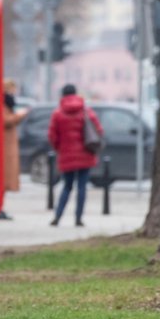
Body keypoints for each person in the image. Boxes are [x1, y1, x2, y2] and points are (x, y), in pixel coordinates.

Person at [47, 84, 103, 227]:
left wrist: (59, 148)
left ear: (63, 95)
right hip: (85, 155)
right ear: (76, 93)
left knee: (66, 186)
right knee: (82, 187)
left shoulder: (57, 114)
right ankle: (78, 219)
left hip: (66, 156)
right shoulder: (86, 111)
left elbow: (52, 136)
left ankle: (58, 217)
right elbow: (99, 131)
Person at [0, 79, 30, 220]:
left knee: (2, 178)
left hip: (5, 142)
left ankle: (0, 208)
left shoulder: (2, 101)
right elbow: (4, 120)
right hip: (0, 143)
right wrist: (20, 115)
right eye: (12, 89)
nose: (13, 92)